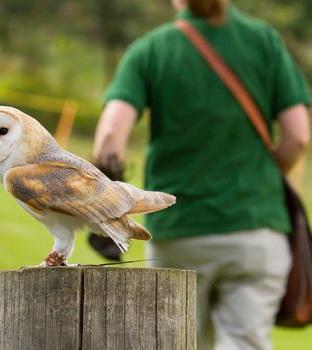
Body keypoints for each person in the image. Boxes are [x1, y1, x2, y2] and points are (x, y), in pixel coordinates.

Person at [92, 0, 311, 349]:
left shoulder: (150, 50)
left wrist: (107, 210)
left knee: (177, 342)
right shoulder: (264, 42)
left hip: (178, 233)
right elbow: (298, 135)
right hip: (257, 229)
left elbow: (108, 139)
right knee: (245, 342)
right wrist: (265, 178)